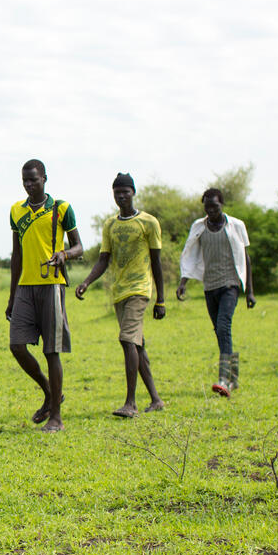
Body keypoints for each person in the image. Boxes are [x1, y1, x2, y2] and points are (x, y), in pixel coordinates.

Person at [75, 173, 166, 417]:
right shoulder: (110, 225)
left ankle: (131, 403)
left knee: (127, 340)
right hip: (119, 291)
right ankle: (156, 399)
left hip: (140, 289)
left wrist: (161, 299)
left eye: (125, 191)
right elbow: (103, 260)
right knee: (138, 345)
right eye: (117, 192)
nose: (121, 196)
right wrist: (86, 282)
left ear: (133, 192)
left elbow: (157, 263)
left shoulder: (148, 223)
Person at [5, 159, 82, 433]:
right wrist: (12, 296)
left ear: (45, 179)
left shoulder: (61, 208)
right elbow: (17, 255)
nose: (28, 185)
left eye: (33, 180)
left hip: (52, 285)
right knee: (17, 345)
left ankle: (56, 418)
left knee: (52, 351)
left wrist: (64, 254)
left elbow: (79, 247)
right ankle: (50, 392)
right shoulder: (16, 211)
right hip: (25, 286)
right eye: (25, 180)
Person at [176, 188, 256, 395]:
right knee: (220, 331)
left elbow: (246, 258)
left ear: (222, 204)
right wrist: (183, 282)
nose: (211, 210)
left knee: (223, 326)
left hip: (230, 284)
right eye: (207, 206)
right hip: (209, 286)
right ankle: (234, 377)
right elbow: (191, 255)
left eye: (215, 206)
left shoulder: (236, 226)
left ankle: (224, 379)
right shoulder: (199, 227)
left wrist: (249, 292)